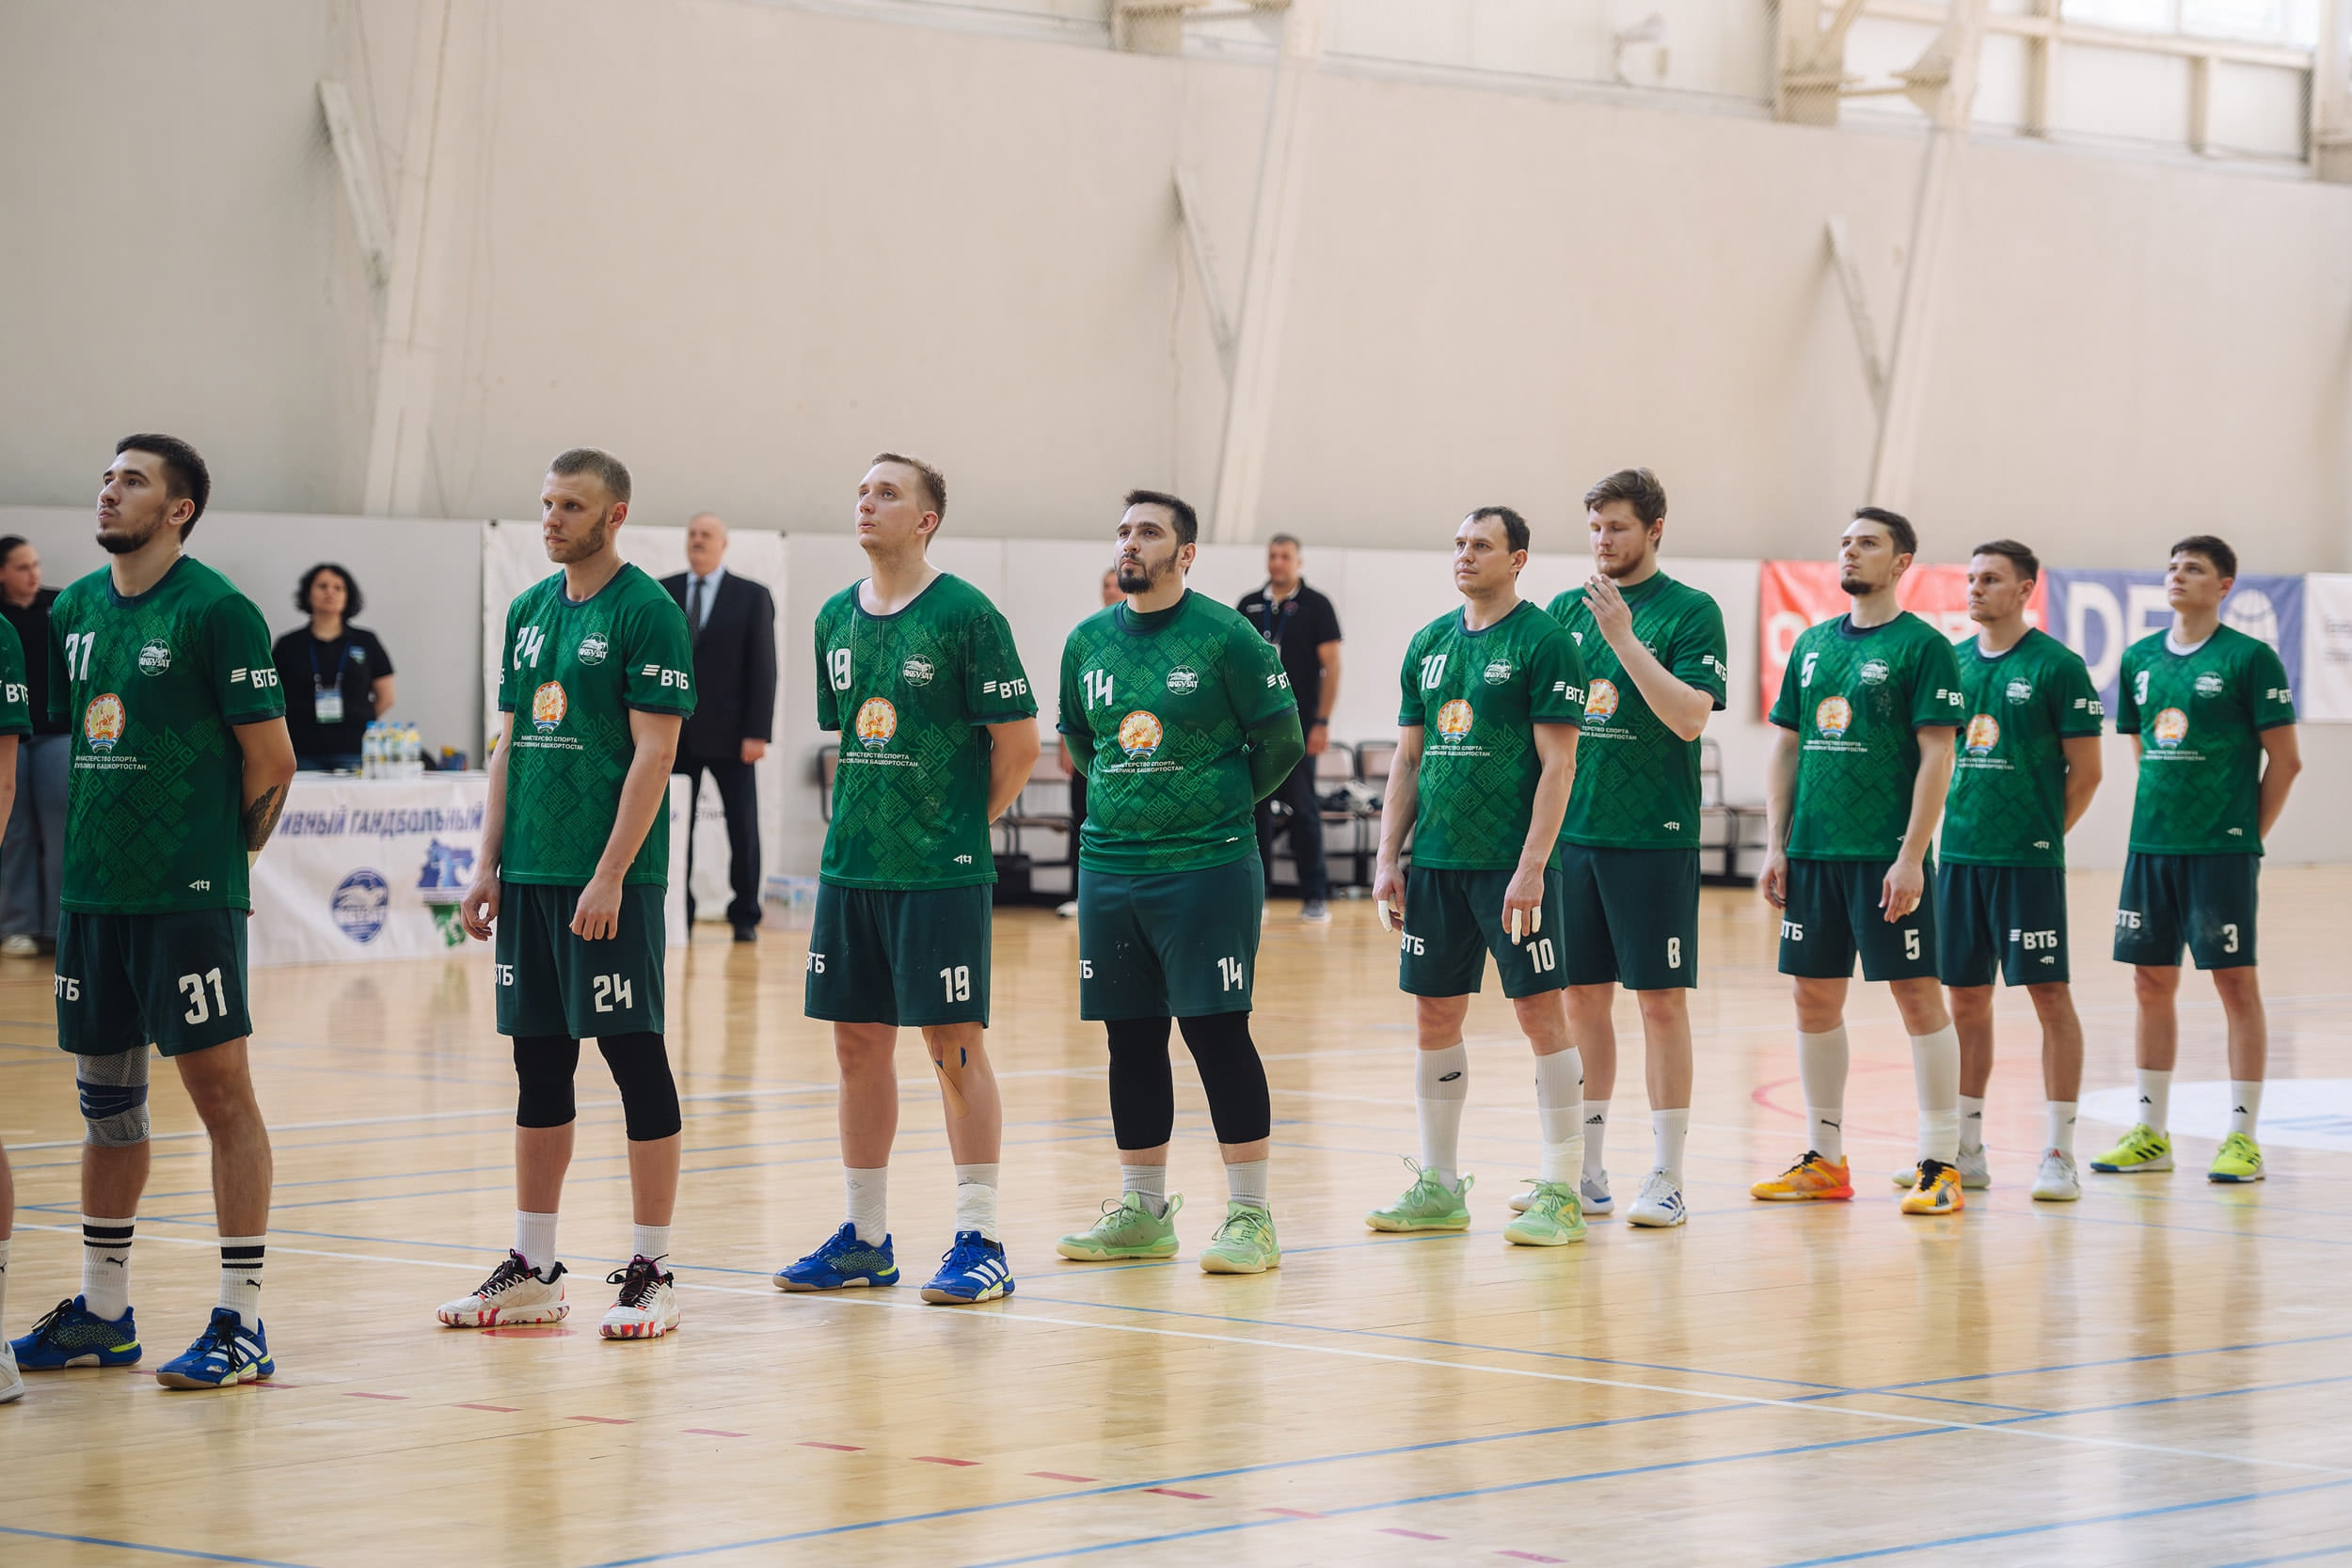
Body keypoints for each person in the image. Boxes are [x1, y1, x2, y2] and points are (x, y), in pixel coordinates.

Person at [8, 435, 297, 1387]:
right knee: (106, 1106)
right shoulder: (76, 609)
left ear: (179, 510)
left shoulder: (218, 610)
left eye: (132, 481)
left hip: (187, 902)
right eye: (106, 476)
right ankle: (103, 1311)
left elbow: (273, 760)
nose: (108, 491)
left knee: (222, 1097)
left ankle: (241, 1322)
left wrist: (222, 866)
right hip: (93, 899)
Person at [439, 448, 695, 1339]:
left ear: (614, 515)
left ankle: (654, 1269)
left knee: (634, 1058)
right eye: (547, 503)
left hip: (609, 881)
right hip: (531, 877)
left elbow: (656, 752)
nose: (552, 519)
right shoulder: (526, 611)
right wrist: (487, 863)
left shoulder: (648, 612)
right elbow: (509, 744)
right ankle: (535, 1268)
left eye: (571, 506)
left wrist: (612, 872)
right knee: (538, 1065)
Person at [776, 454, 1040, 1306]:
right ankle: (866, 1238)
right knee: (857, 1046)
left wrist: (961, 827)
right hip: (852, 866)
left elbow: (1020, 745)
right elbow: (852, 736)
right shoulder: (833, 618)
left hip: (939, 872)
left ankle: (980, 1237)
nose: (867, 502)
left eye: (887, 493)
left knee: (952, 1046)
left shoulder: (967, 614)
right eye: (862, 490)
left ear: (926, 520)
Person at [1055, 490, 1303, 1275]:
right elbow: (1080, 743)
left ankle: (1252, 1215)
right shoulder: (1086, 641)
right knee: (1129, 1038)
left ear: (1185, 553)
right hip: (1110, 867)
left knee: (1216, 1032)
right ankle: (1143, 1212)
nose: (1129, 543)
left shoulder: (1228, 636)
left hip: (1208, 865)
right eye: (1124, 530)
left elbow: (1282, 740)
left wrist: (1213, 804)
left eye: (1149, 532)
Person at [1366, 507, 1589, 1245]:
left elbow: (1559, 764)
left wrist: (1532, 866)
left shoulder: (1545, 643)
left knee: (1539, 1014)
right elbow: (1408, 760)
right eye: (1460, 543)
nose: (1464, 554)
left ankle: (1561, 1188)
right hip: (1437, 863)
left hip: (1511, 867)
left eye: (1482, 545)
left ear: (1518, 559)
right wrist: (1388, 857)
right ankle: (1438, 1185)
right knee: (1434, 1016)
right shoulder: (1428, 643)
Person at [1753, 507, 1968, 1216]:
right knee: (1812, 998)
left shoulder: (1923, 647)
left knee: (1917, 996)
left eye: (1868, 543)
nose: (1850, 552)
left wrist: (1912, 856)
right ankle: (1825, 1159)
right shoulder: (1813, 644)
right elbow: (1787, 747)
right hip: (1813, 854)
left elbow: (1939, 755)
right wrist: (1778, 844)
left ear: (1901, 562)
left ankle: (1941, 1163)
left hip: (1884, 857)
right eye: (1845, 542)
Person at [1539, 468, 1726, 1229]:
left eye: (1616, 526)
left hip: (1654, 838)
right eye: (1594, 527)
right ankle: (1584, 1171)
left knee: (1660, 1003)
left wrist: (1622, 635)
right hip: (1573, 838)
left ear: (1654, 529)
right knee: (1581, 1000)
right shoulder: (1563, 611)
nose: (1602, 540)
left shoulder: (1691, 610)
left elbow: (1689, 717)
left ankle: (1668, 1175)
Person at [2095, 536, 2300, 1183]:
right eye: (2173, 567)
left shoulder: (2250, 658)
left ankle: (2242, 1137)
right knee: (2149, 983)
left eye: (2194, 568)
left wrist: (2243, 836)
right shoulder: (2139, 658)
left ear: (2225, 585)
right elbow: (2143, 750)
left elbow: (2287, 761)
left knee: (2235, 984)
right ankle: (2151, 1133)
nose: (2177, 576)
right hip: (2151, 848)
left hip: (2221, 852)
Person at [1933, 541, 2104, 1202]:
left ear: (2026, 589)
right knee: (1965, 1000)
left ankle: (2059, 1151)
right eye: (1972, 578)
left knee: (2049, 997)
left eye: (1992, 579)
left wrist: (2040, 836)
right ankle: (1966, 1149)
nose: (1976, 589)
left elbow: (2087, 774)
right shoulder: (1950, 662)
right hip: (1959, 859)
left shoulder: (2058, 667)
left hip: (2027, 864)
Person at [662, 513, 777, 942]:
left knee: (742, 828)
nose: (698, 540)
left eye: (706, 535)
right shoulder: (663, 591)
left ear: (723, 544)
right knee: (674, 829)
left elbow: (764, 668)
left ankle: (745, 914)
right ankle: (680, 911)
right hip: (675, 733)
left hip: (734, 736)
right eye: (692, 534)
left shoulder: (752, 596)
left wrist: (757, 732)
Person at [1237, 535, 1343, 923]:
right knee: (1256, 811)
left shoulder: (1317, 604)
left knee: (1304, 810)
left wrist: (1322, 722)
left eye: (1285, 556)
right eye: (1273, 555)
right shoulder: (1249, 604)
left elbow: (1332, 667)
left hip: (1298, 728)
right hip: (1254, 729)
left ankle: (1315, 895)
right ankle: (1257, 895)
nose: (1277, 562)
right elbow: (1234, 665)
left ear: (1299, 562)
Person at [0, 536, 66, 958]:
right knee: (14, 826)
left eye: (35, 565)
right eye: (23, 567)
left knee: (62, 826)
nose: (33, 574)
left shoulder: (58, 606)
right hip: (9, 732)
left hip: (57, 731)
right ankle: (17, 925)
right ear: (2, 573)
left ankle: (62, 924)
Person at [272, 562, 395, 771]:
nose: (330, 592)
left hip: (354, 748)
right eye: (322, 586)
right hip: (300, 750)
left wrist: (360, 718)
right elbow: (272, 697)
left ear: (348, 596)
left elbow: (386, 696)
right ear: (308, 594)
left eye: (338, 588)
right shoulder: (289, 644)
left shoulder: (366, 641)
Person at [1056, 567, 1123, 919]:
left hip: (1126, 752)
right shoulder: (1088, 636)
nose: (1110, 591)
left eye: (1116, 585)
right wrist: (1064, 744)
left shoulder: (1142, 638)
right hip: (1090, 750)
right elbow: (1069, 699)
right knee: (1082, 821)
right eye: (1106, 585)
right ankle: (1079, 894)